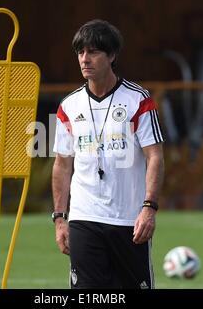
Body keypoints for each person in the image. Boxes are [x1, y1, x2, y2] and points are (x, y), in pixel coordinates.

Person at [51, 19, 164, 289]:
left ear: (112, 56)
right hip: (84, 219)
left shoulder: (138, 100)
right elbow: (62, 165)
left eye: (93, 52)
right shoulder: (68, 105)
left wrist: (149, 208)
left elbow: (155, 156)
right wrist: (59, 218)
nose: (85, 59)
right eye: (80, 52)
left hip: (129, 221)